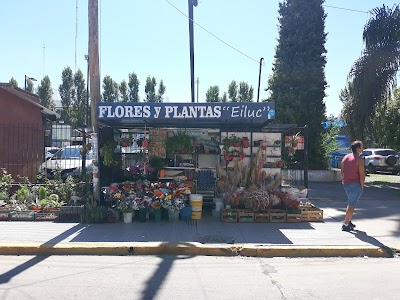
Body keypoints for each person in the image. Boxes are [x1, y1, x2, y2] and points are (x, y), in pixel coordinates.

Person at [340, 140, 365, 232]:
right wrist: (362, 185)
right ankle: (345, 224)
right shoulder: (359, 159)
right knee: (351, 205)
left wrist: (344, 180)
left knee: (350, 202)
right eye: (362, 146)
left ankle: (348, 221)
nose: (363, 148)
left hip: (346, 183)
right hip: (355, 184)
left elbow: (342, 171)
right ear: (358, 149)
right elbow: (362, 174)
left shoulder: (345, 157)